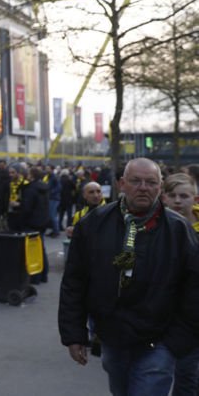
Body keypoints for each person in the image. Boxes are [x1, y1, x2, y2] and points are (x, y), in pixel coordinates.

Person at [59, 158, 199, 396]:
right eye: (136, 181)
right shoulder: (93, 224)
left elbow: (194, 287)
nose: (143, 187)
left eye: (150, 182)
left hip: (160, 341)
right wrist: (75, 334)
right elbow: (75, 281)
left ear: (159, 186)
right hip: (113, 337)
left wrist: (176, 341)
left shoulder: (178, 230)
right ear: (122, 184)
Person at [164, 173, 199, 395]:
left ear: (195, 199)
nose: (178, 201)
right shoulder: (154, 228)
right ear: (163, 197)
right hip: (167, 316)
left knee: (188, 378)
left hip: (194, 316)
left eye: (184, 196)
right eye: (172, 195)